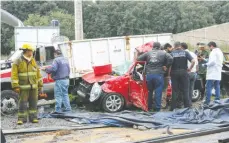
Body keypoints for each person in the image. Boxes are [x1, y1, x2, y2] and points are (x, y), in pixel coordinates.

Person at [11, 44, 43, 125]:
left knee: (33, 103)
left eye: (32, 51)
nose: (32, 52)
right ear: (26, 51)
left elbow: (38, 74)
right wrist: (15, 86)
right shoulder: (17, 61)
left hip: (34, 87)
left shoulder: (33, 60)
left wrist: (40, 85)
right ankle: (21, 119)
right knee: (23, 103)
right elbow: (14, 75)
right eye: (30, 51)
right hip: (23, 87)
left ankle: (33, 118)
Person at [137, 42, 173, 111]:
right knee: (158, 91)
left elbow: (138, 59)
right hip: (159, 75)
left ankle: (149, 107)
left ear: (153, 47)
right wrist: (166, 66)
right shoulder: (163, 53)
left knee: (149, 91)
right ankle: (157, 108)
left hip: (149, 75)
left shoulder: (148, 53)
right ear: (159, 47)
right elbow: (171, 59)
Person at [169, 42, 195, 111]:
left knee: (175, 91)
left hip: (174, 73)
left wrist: (169, 74)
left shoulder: (171, 54)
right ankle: (187, 107)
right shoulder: (185, 53)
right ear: (180, 46)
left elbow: (169, 65)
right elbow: (193, 61)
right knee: (185, 90)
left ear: (174, 46)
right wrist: (190, 68)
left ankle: (173, 107)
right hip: (184, 72)